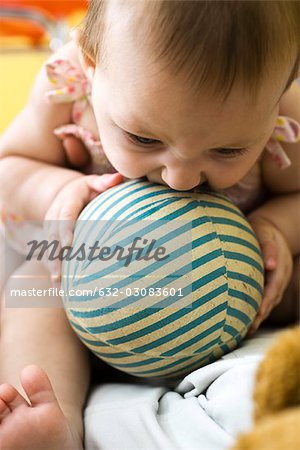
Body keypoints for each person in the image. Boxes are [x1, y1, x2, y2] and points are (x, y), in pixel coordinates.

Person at [0, 1, 299, 449]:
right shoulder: (66, 91)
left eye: (227, 151)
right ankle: (49, 418)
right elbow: (11, 167)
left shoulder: (283, 114)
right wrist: (55, 191)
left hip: (229, 298)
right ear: (90, 65)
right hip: (90, 283)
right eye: (144, 139)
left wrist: (273, 228)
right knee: (33, 288)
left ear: (280, 94)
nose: (180, 178)